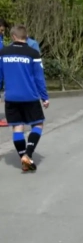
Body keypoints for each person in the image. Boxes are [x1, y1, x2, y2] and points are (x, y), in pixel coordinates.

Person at [0, 24, 49, 172]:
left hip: (11, 97)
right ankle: (28, 154)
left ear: (13, 36)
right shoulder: (33, 53)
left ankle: (23, 158)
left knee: (17, 127)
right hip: (30, 96)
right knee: (38, 124)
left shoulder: (3, 53)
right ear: (25, 36)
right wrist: (44, 97)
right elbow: (39, 77)